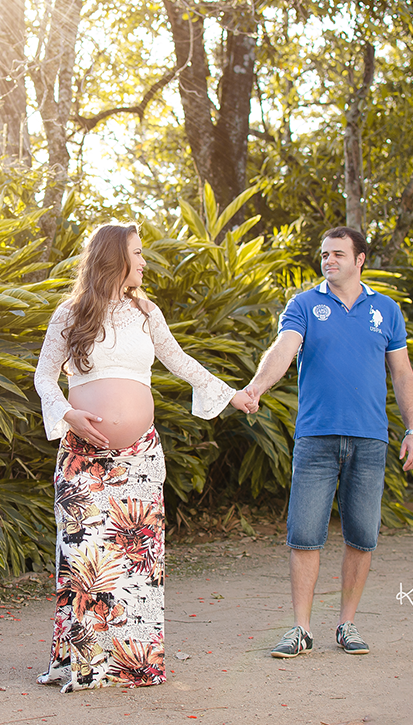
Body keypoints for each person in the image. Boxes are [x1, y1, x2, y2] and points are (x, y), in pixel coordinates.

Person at [33, 222, 254, 693]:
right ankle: (86, 664)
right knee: (84, 559)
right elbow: (44, 377)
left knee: (136, 564)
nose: (144, 262)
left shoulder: (146, 311)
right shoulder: (70, 313)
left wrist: (230, 395)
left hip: (140, 458)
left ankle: (134, 665)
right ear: (114, 258)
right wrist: (68, 414)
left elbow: (180, 361)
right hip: (84, 455)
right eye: (137, 253)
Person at [244, 226, 413, 658]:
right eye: (324, 254)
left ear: (360, 259)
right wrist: (257, 387)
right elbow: (283, 349)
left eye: (338, 254)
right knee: (304, 534)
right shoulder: (304, 304)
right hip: (316, 437)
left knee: (362, 535)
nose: (329, 260)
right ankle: (301, 629)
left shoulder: (386, 310)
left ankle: (347, 624)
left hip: (369, 439)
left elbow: (401, 373)